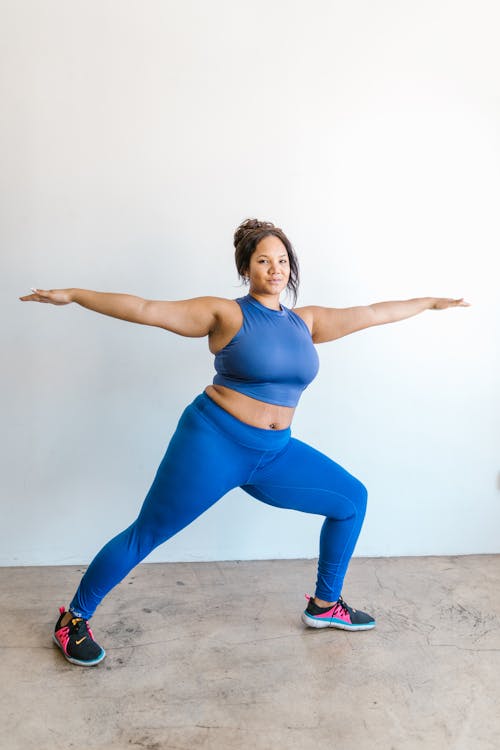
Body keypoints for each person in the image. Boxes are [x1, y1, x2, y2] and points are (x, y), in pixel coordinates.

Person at [20, 218, 469, 667]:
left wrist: (427, 302)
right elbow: (145, 307)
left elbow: (373, 313)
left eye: (282, 260)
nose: (275, 269)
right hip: (213, 443)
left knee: (351, 499)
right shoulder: (228, 314)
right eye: (263, 261)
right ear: (246, 269)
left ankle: (324, 605)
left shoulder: (304, 322)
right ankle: (73, 619)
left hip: (274, 455)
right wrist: (75, 295)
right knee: (148, 533)